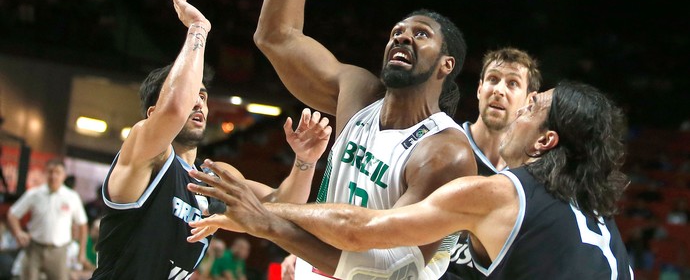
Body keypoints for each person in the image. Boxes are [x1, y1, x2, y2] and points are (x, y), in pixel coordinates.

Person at [216, 0, 477, 280]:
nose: (402, 37)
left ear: (446, 65)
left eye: (420, 34)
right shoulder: (358, 93)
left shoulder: (447, 154)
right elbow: (276, 35)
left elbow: (393, 269)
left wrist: (266, 217)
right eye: (397, 32)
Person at [189, 81, 634, 279]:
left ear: (546, 141)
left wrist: (261, 214)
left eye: (532, 107)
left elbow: (361, 231)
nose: (518, 112)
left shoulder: (501, 194)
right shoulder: (604, 227)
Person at [91, 0, 331, 279]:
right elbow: (174, 109)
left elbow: (284, 208)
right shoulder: (144, 151)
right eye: (191, 93)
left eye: (203, 97)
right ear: (153, 113)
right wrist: (198, 28)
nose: (198, 103)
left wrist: (304, 161)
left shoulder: (213, 179)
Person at [444, 47, 541, 279]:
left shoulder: (532, 176)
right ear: (480, 89)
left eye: (512, 83)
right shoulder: (443, 146)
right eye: (493, 80)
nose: (499, 90)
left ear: (530, 101)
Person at [6, 159, 88, 280]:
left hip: (59, 250)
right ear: (45, 173)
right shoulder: (34, 194)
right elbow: (12, 214)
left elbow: (83, 225)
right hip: (34, 247)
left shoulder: (72, 197)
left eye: (57, 172)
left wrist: (81, 252)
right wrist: (18, 232)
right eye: (50, 172)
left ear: (63, 175)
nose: (53, 176)